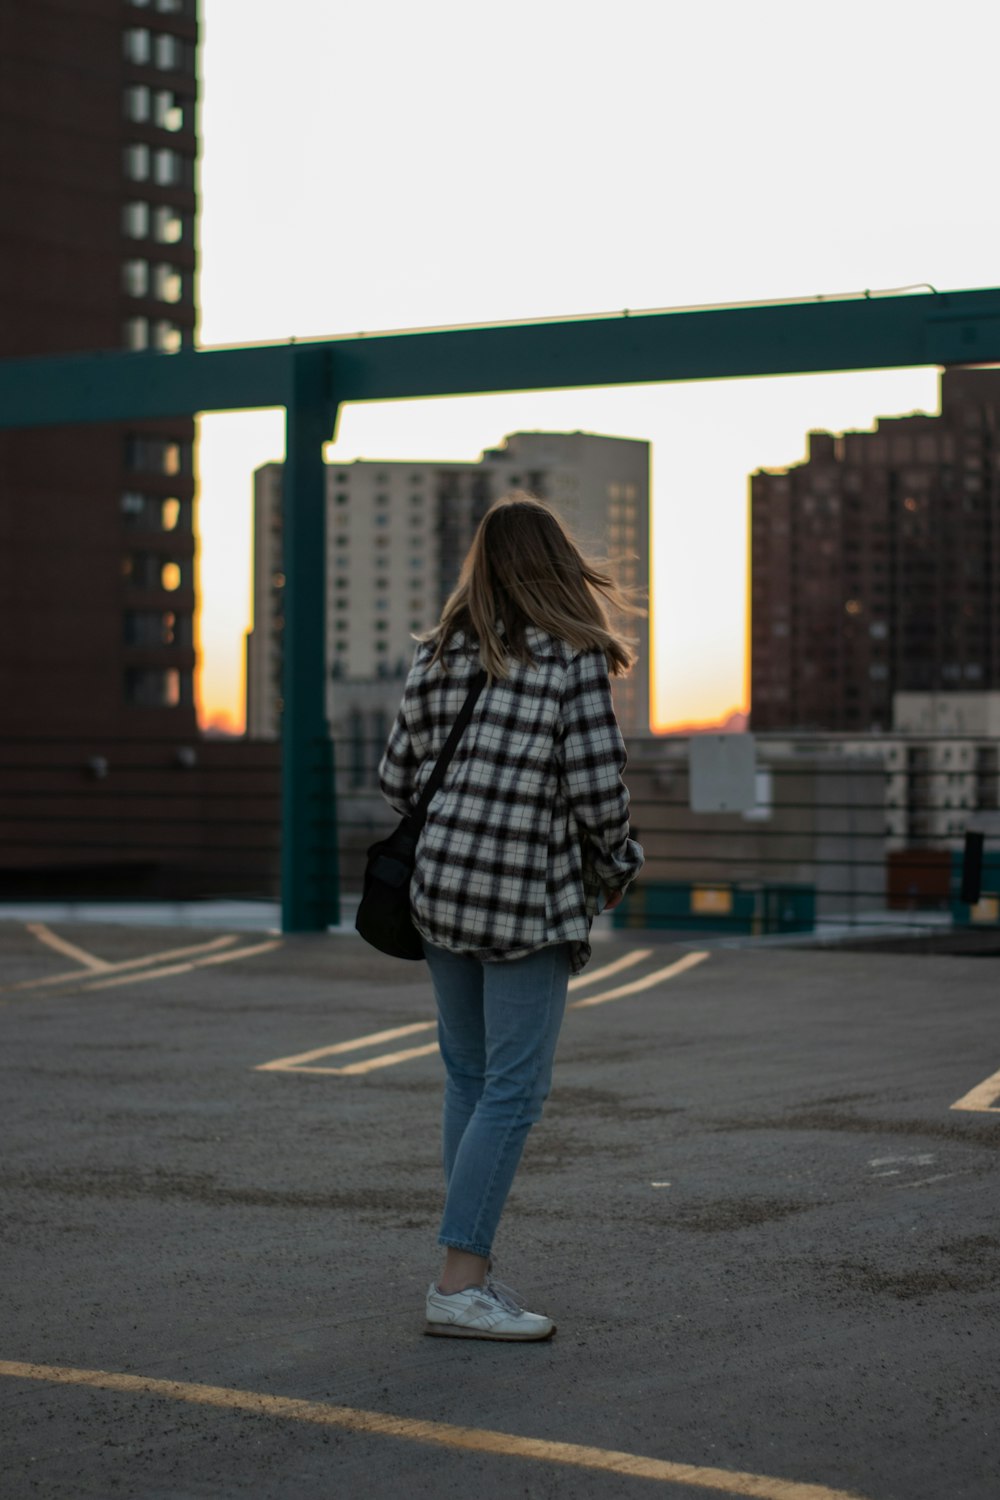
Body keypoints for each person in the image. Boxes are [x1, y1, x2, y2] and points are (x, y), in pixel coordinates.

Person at [378, 493, 644, 1341]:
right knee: (515, 1090)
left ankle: (467, 1274)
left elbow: (396, 779)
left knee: (468, 1077)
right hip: (522, 899)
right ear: (558, 567)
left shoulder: (439, 654)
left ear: (483, 567)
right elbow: (599, 792)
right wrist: (619, 864)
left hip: (440, 889)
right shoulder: (570, 659)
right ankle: (460, 1283)